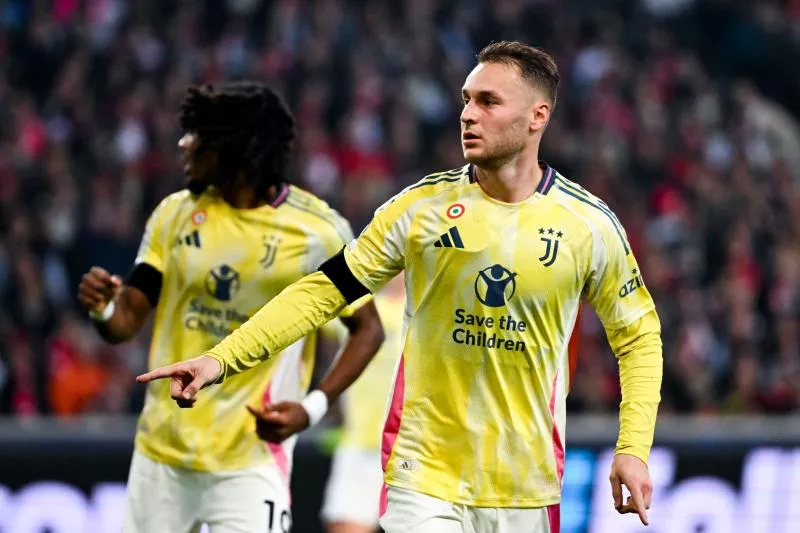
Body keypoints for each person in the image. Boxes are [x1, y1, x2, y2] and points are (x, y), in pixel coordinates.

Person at [137, 42, 663, 533]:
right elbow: (323, 291)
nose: (467, 113)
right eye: (465, 100)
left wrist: (633, 448)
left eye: (487, 101)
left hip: (525, 484)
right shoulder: (419, 210)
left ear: (536, 117)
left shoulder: (587, 225)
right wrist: (220, 359)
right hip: (422, 473)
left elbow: (638, 338)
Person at [77, 81, 384, 533]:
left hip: (252, 459)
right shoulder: (174, 214)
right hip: (163, 454)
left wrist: (310, 409)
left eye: (197, 135)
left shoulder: (316, 231)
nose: (184, 144)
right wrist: (104, 309)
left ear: (234, 148)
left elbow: (368, 329)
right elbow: (125, 321)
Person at [321, 273, 406, 533]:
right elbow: (314, 311)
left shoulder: (431, 310)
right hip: (361, 448)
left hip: (415, 453)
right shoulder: (361, 309)